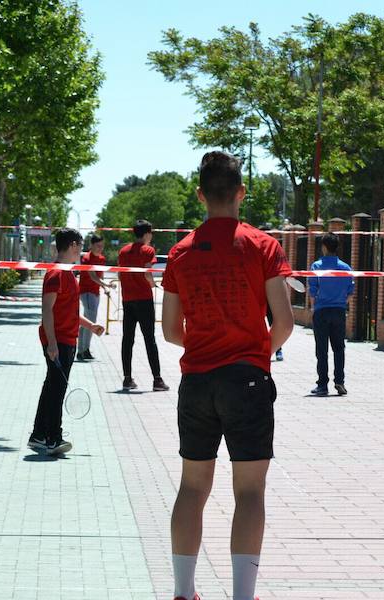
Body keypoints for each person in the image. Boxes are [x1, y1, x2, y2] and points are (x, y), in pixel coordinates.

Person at [161, 151, 294, 600]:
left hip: (197, 382)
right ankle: (242, 595)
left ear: (200, 195)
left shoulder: (179, 252)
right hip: (247, 380)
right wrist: (255, 352)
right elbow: (284, 323)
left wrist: (206, 344)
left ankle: (183, 591)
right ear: (241, 192)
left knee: (192, 487)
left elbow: (170, 331)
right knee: (250, 492)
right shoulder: (263, 246)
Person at [29, 228, 104, 456]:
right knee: (57, 390)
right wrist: (52, 343)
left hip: (66, 339)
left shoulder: (68, 273)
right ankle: (54, 438)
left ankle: (39, 435)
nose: (81, 250)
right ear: (72, 245)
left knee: (51, 387)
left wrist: (90, 326)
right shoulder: (56, 274)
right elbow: (47, 310)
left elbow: (69, 310)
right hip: (59, 340)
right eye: (80, 245)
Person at [118, 220, 168, 391]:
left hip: (127, 299)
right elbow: (147, 273)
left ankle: (127, 378)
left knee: (127, 339)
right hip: (144, 299)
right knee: (149, 339)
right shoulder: (148, 250)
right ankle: (157, 380)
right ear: (147, 234)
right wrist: (154, 285)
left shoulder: (123, 251)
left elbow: (120, 274)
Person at [308, 232, 355, 396]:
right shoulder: (346, 268)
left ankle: (322, 385)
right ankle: (340, 381)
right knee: (339, 348)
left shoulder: (316, 266)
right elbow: (350, 292)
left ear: (324, 247)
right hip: (339, 311)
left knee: (322, 349)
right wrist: (341, 303)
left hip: (321, 311)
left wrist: (313, 308)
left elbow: (312, 291)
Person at [77, 233, 112, 361]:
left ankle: (83, 349)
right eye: (98, 246)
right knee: (90, 322)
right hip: (86, 292)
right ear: (91, 245)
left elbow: (100, 276)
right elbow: (93, 276)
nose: (100, 248)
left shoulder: (102, 259)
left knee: (87, 322)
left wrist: (105, 288)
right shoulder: (86, 258)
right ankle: (83, 350)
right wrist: (106, 285)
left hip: (95, 293)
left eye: (102, 246)